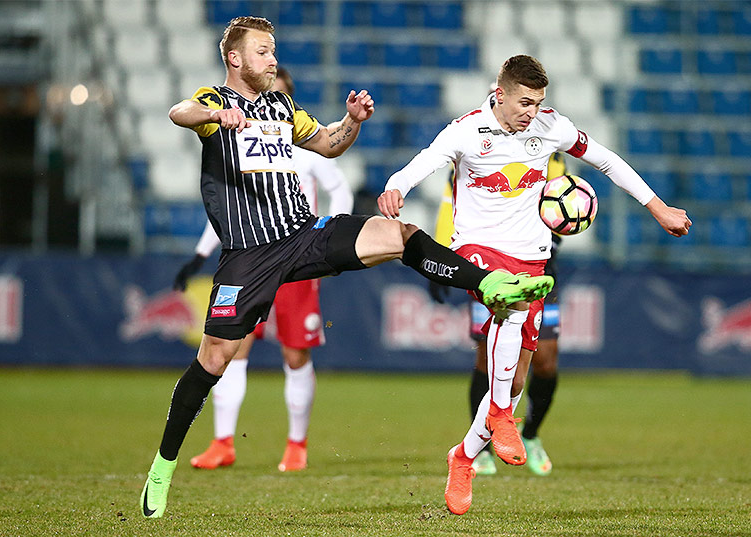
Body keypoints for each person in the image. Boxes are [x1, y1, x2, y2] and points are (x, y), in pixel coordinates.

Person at [140, 18, 554, 519]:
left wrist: (352, 121)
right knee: (213, 360)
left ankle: (488, 283)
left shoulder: (280, 106)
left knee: (395, 232)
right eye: (264, 52)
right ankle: (162, 468)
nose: (273, 60)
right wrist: (218, 114)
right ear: (235, 59)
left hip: (303, 233)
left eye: (273, 51)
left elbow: (329, 144)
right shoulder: (211, 102)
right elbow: (178, 112)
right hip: (249, 256)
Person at [377, 54, 691, 515]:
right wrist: (395, 186)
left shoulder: (550, 127)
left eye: (539, 102)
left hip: (533, 256)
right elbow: (424, 161)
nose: (532, 111)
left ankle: (463, 456)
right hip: (477, 252)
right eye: (524, 102)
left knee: (518, 373)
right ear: (499, 93)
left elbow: (606, 160)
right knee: (508, 302)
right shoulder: (467, 129)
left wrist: (657, 207)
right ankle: (502, 416)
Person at [172, 68, 354, 473]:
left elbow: (340, 187)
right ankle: (222, 442)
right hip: (252, 257)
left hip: (296, 255)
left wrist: (329, 239)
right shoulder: (236, 141)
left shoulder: (302, 147)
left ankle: (296, 445)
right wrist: (200, 256)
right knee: (232, 351)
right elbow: (227, 209)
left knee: (294, 353)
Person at [430, 152, 567, 478]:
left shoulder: (550, 150)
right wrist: (439, 256)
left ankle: (531, 434)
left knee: (545, 360)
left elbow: (562, 195)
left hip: (538, 264)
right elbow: (452, 200)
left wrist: (559, 230)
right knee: (487, 360)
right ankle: (481, 450)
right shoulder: (476, 150)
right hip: (488, 263)